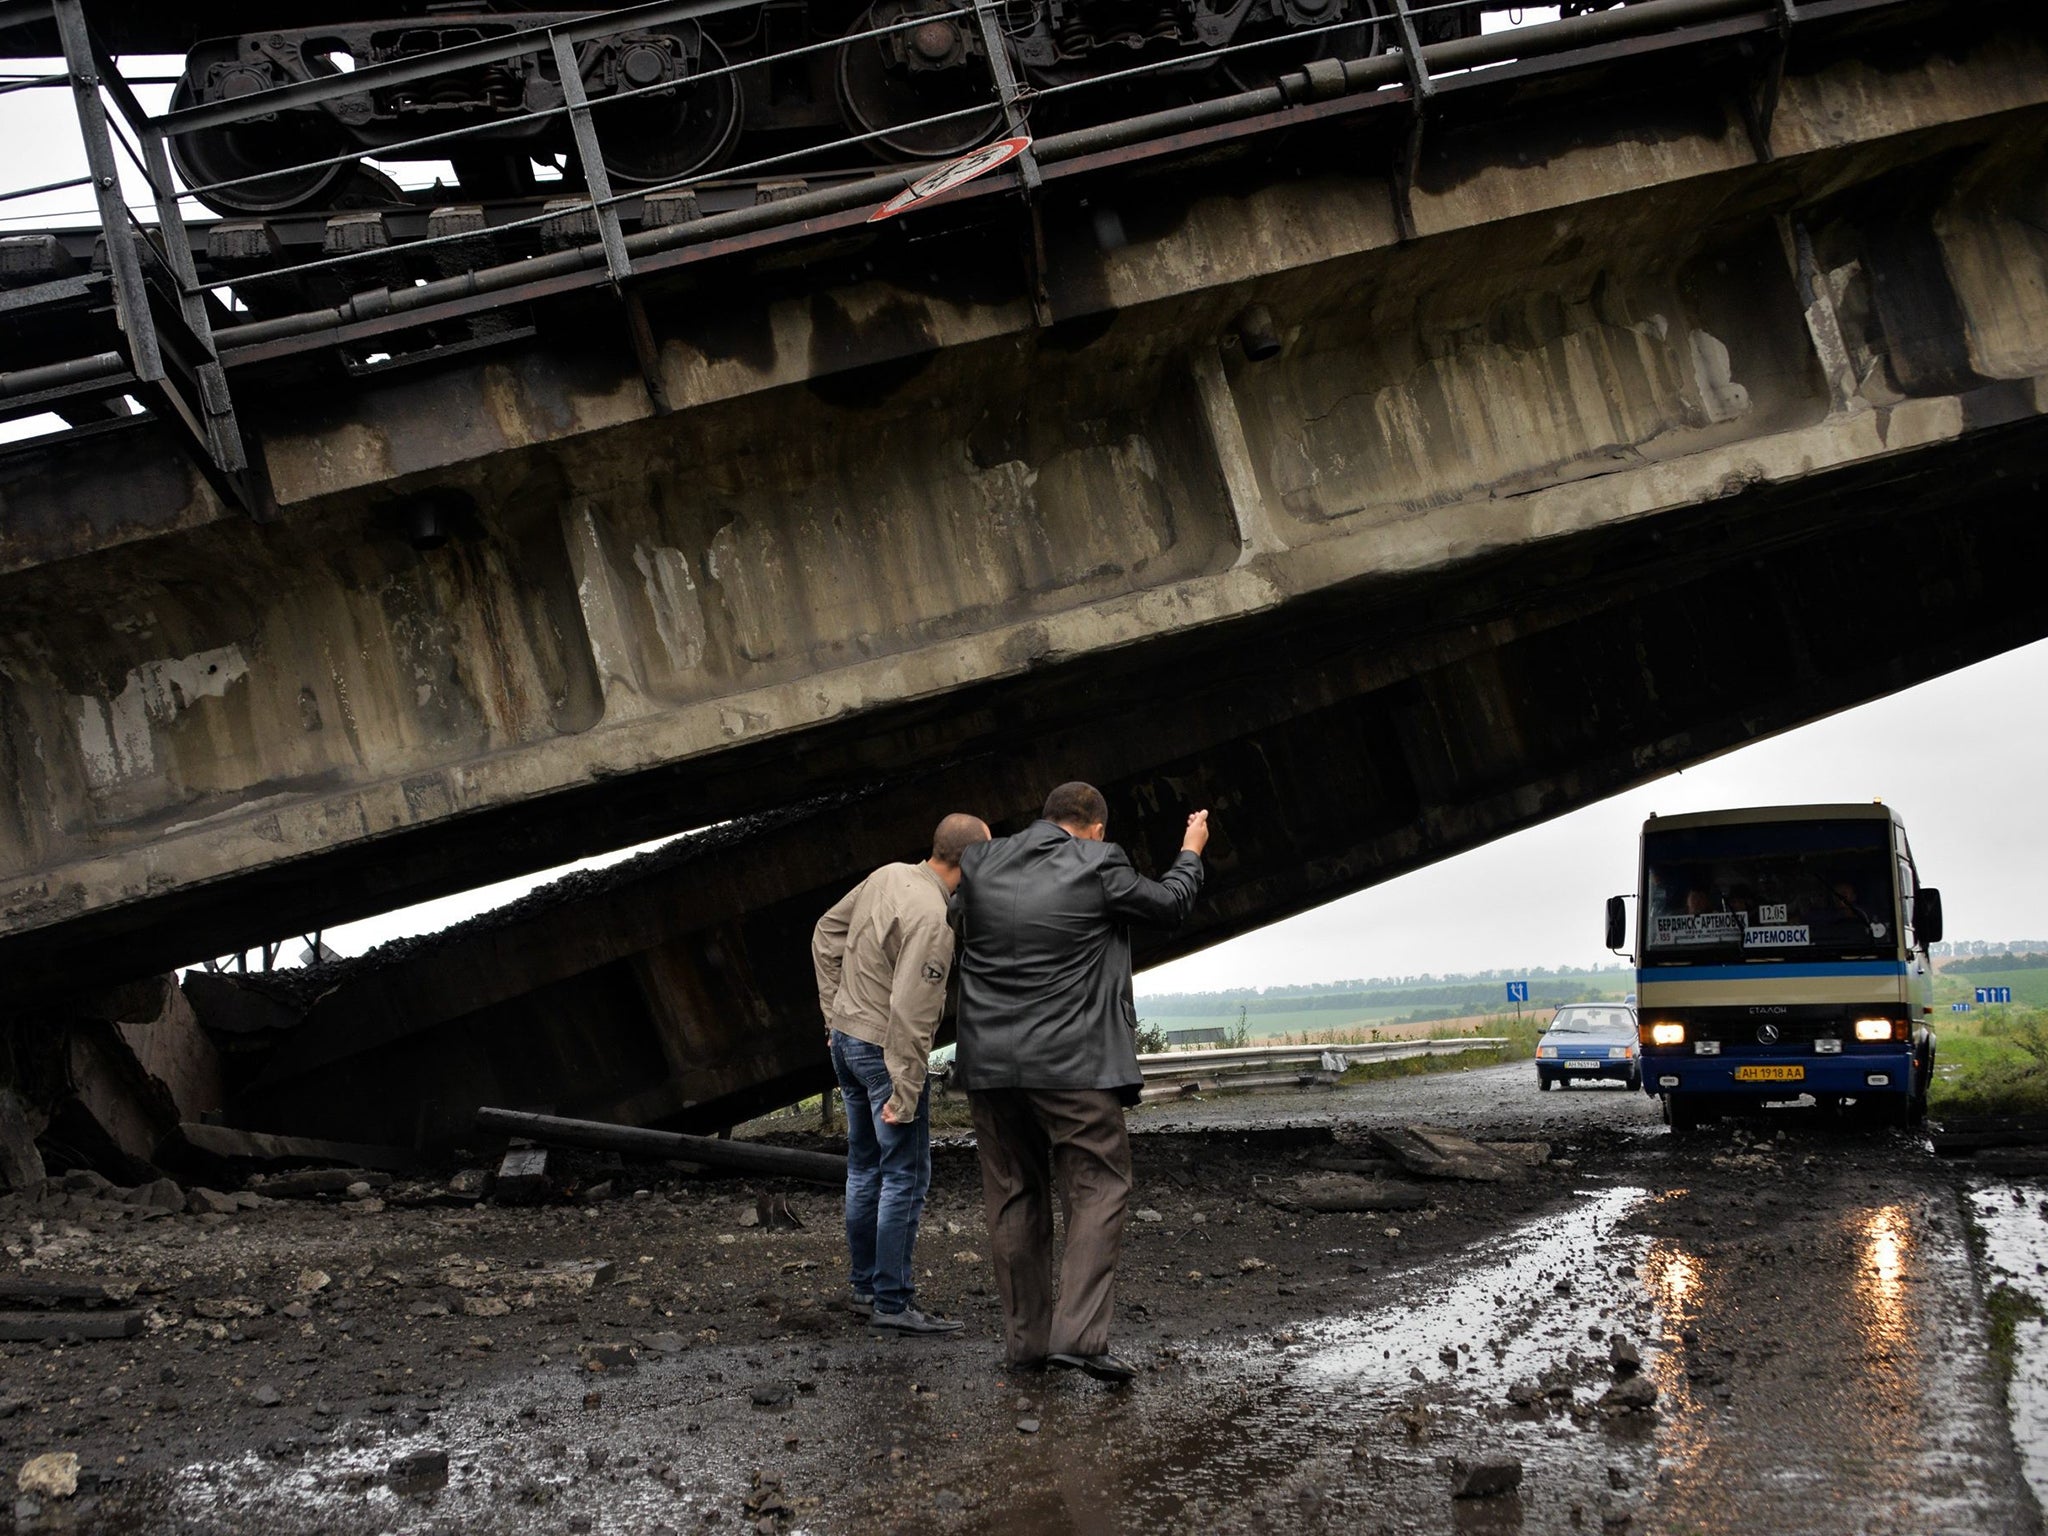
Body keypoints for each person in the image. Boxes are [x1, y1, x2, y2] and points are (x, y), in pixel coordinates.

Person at [952, 781, 1209, 1384]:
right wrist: (1191, 850)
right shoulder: (1100, 862)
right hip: (1072, 1063)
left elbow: (957, 917)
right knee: (1097, 1184)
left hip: (989, 1066)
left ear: (1047, 818)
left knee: (1014, 1194)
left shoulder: (981, 862)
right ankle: (1080, 1338)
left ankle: (1027, 1346)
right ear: (1095, 826)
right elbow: (1168, 905)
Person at [812, 812, 991, 1336]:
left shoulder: (888, 875)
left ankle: (866, 1287)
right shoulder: (935, 919)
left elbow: (826, 933)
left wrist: (834, 1013)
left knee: (864, 1168)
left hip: (846, 1043)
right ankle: (892, 1301)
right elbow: (913, 1014)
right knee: (905, 1175)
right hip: (883, 1052)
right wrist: (908, 1090)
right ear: (971, 860)